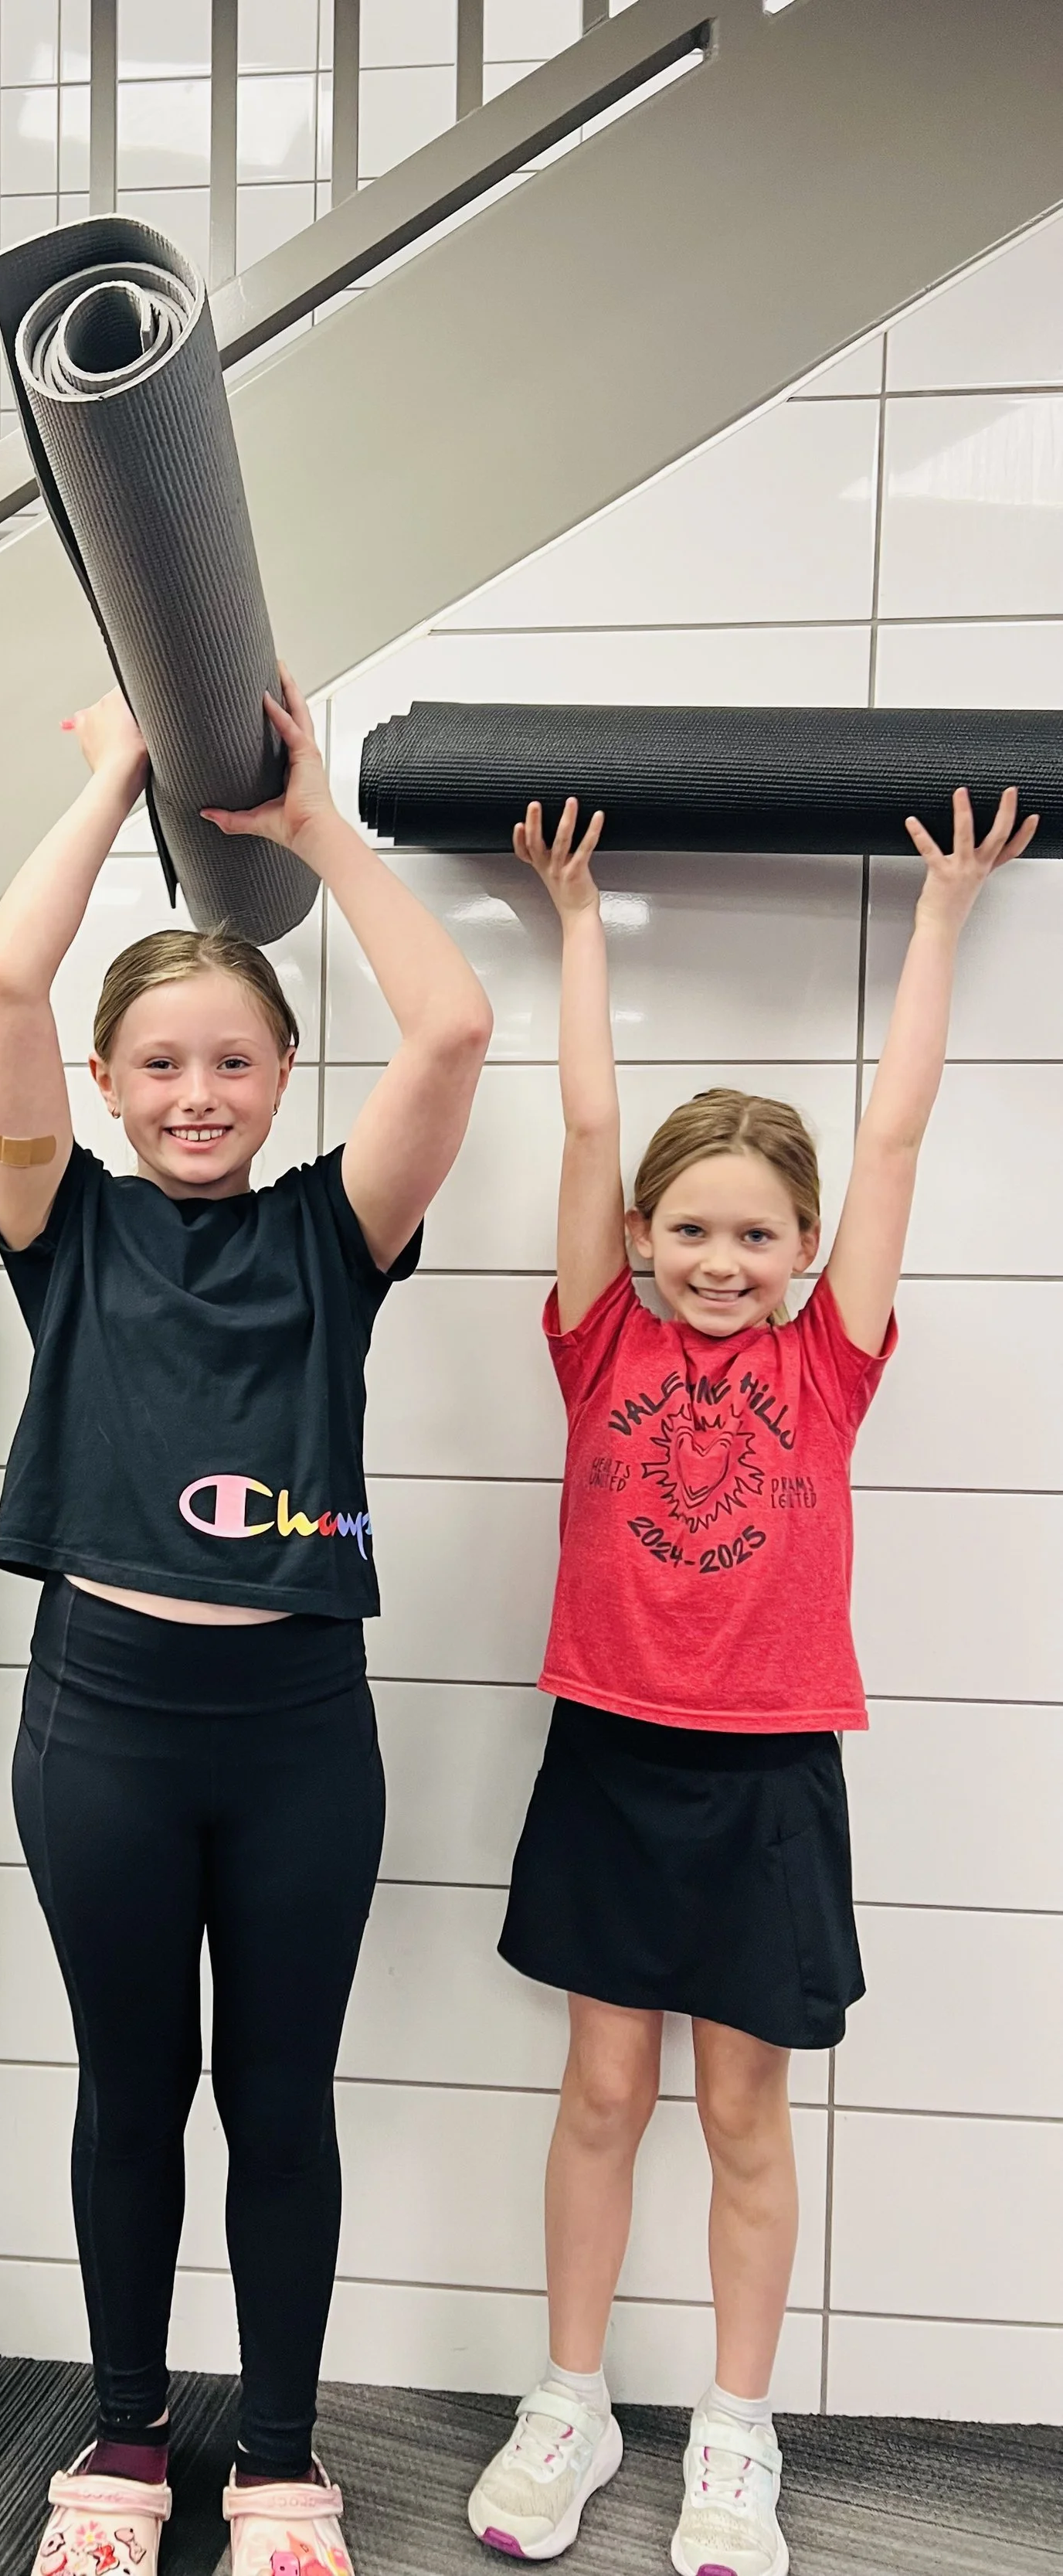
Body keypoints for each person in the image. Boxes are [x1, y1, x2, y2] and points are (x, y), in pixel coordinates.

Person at [467, 786, 1034, 2576]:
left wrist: (935, 922)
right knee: (599, 2096)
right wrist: (572, 922)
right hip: (610, 1756)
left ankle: (730, 2428)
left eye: (751, 1238)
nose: (718, 1263)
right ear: (642, 1242)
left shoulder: (830, 1365)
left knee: (737, 2109)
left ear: (799, 1261)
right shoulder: (597, 1335)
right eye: (688, 1231)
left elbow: (889, 1145)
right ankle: (565, 2398)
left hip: (772, 1769)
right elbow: (579, 1126)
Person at [0, 676, 494, 2576]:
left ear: (282, 1084)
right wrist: (115, 773)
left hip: (294, 1728)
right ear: (109, 1090)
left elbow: (448, 1023)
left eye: (234, 1064)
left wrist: (311, 833)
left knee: (278, 2089)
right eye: (161, 1065)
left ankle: (277, 2459)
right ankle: (118, 2445)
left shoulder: (329, 1235)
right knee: (134, 2085)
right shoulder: (64, 1227)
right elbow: (3, 993)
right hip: (100, 1721)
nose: (195, 1095)